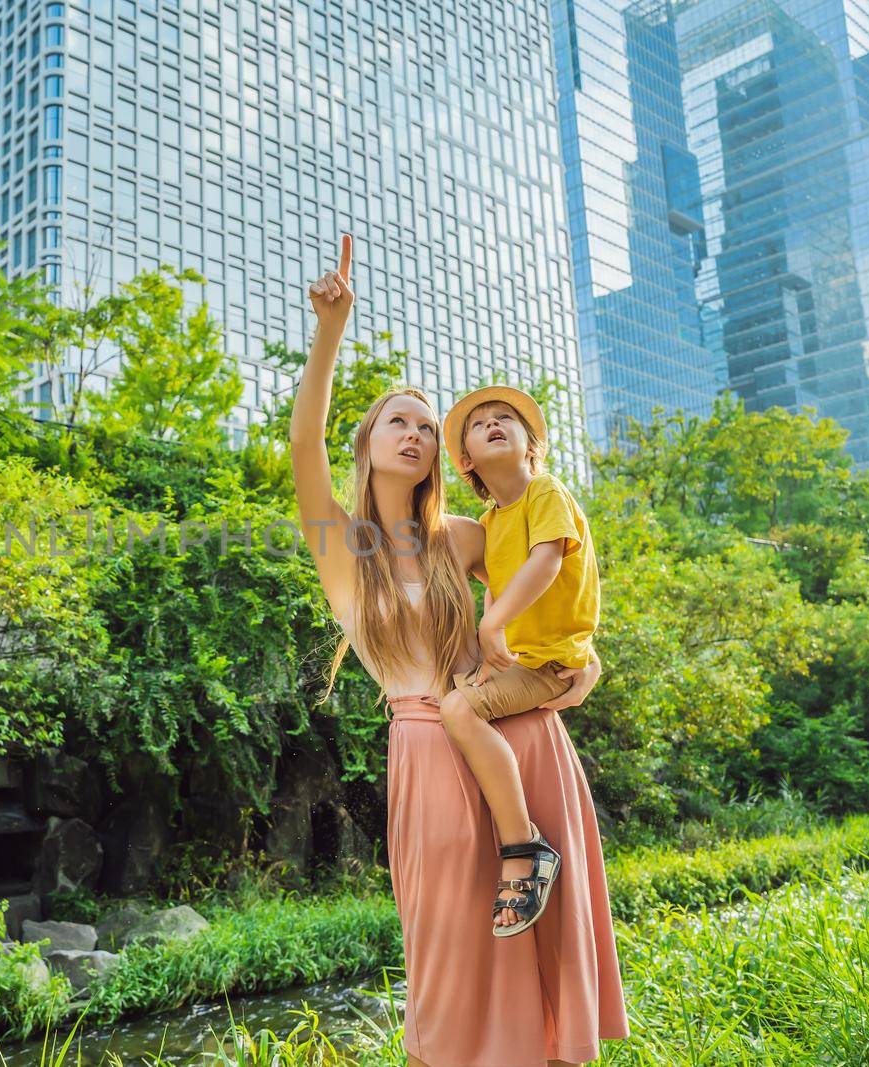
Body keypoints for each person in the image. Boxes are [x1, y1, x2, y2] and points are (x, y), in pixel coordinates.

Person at [290, 234, 629, 1066]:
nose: (413, 433)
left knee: (540, 953)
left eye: (424, 426)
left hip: (519, 738)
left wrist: (578, 664)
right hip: (425, 748)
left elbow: (559, 576)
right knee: (447, 963)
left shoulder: (468, 538)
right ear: (368, 442)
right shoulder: (343, 544)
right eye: (395, 422)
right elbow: (303, 445)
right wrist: (331, 332)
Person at [432, 384, 602, 937]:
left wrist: (492, 624)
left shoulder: (545, 492)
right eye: (480, 426)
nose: (494, 425)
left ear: (533, 445)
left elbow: (546, 563)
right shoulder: (491, 523)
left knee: (460, 711)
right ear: (466, 461)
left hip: (549, 664)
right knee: (451, 691)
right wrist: (487, 636)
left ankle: (524, 845)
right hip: (522, 660)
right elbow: (495, 581)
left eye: (507, 419)